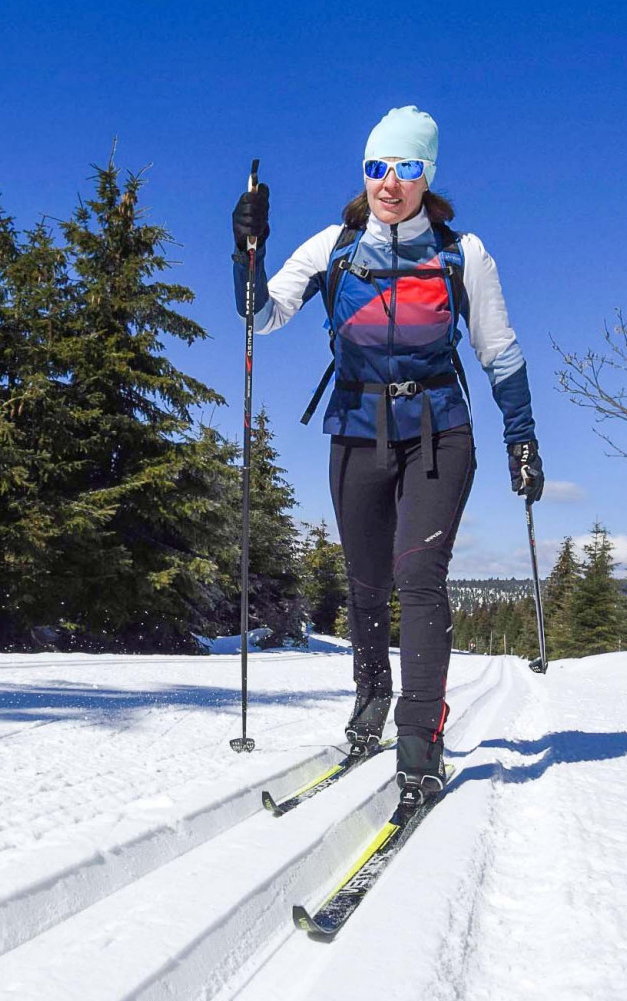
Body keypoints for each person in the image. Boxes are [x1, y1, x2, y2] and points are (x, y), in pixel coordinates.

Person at [231, 105, 544, 806]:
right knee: (367, 581)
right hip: (355, 431)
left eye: (406, 169)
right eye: (378, 168)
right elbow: (261, 316)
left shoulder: (463, 253)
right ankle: (371, 701)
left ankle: (419, 739)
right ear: (364, 173)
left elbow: (500, 351)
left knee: (419, 576)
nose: (390, 183)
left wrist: (520, 437)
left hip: (440, 432)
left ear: (427, 175)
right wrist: (244, 252)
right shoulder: (333, 249)